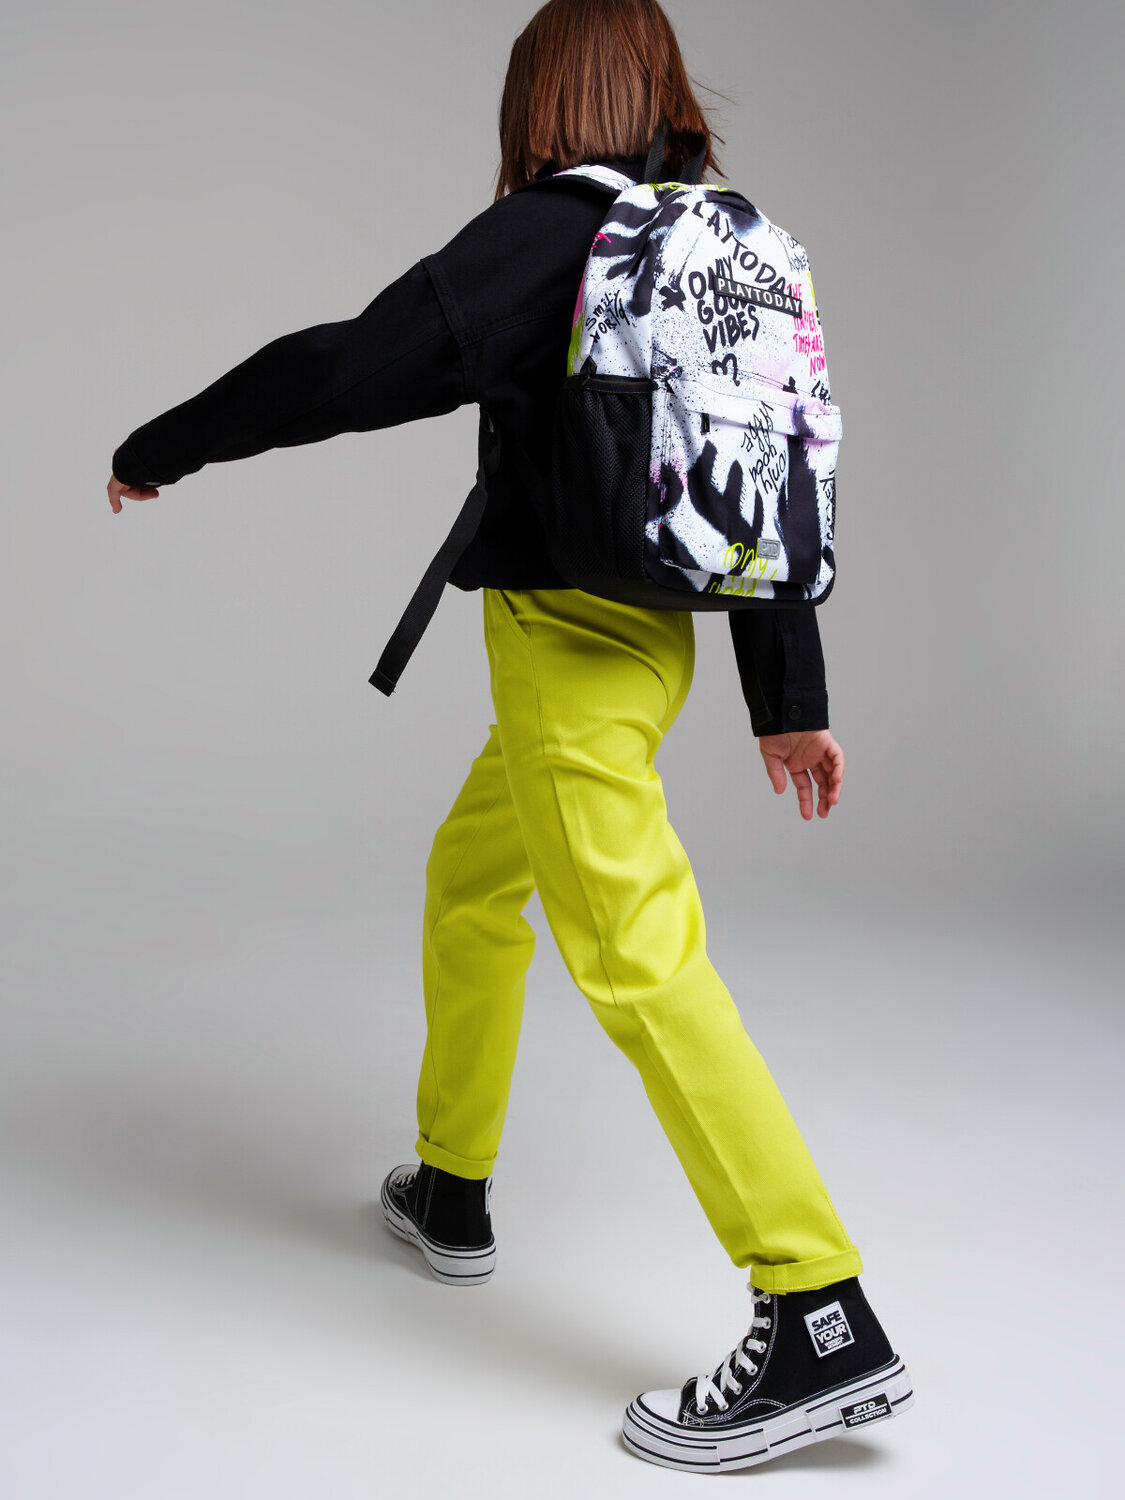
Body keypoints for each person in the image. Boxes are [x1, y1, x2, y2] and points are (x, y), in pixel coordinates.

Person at [108, 0, 914, 1474]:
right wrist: (788, 700)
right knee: (474, 882)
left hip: (565, 654)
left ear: (542, 99)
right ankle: (451, 1185)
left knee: (640, 961)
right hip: (654, 648)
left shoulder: (553, 235)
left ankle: (817, 1307)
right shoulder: (719, 237)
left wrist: (161, 445)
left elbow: (348, 369)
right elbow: (762, 473)